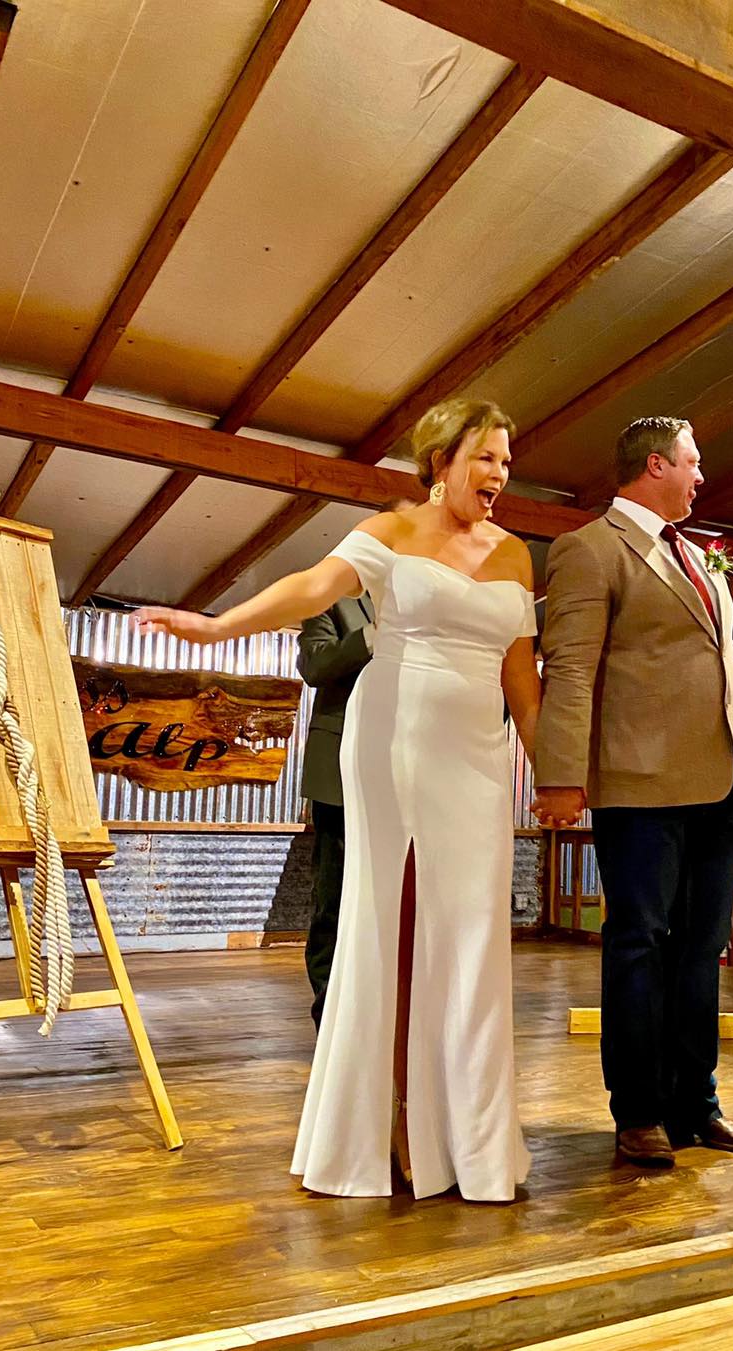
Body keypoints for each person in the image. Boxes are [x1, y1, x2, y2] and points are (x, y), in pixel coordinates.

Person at [135, 399, 540, 1201]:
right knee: (382, 927)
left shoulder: (518, 555)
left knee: (472, 938)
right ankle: (382, 1119)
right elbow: (311, 586)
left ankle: (471, 1136)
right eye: (485, 457)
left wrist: (558, 774)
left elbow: (522, 682)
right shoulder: (392, 532)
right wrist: (214, 630)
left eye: (505, 460)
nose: (498, 474)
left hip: (477, 756)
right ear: (441, 459)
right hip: (392, 735)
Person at [533, 416, 733, 1169]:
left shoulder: (702, 560)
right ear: (656, 463)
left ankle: (695, 1103)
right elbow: (569, 670)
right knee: (639, 944)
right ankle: (636, 1110)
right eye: (693, 463)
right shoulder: (589, 548)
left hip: (718, 783)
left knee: (703, 948)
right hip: (638, 784)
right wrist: (561, 776)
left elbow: (727, 663)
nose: (702, 477)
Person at [297, 496, 415, 1033]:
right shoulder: (330, 597)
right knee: (336, 897)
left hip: (406, 772)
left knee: (396, 900)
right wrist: (374, 634)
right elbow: (316, 665)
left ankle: (384, 1011)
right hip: (341, 776)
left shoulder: (425, 602)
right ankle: (330, 1014)